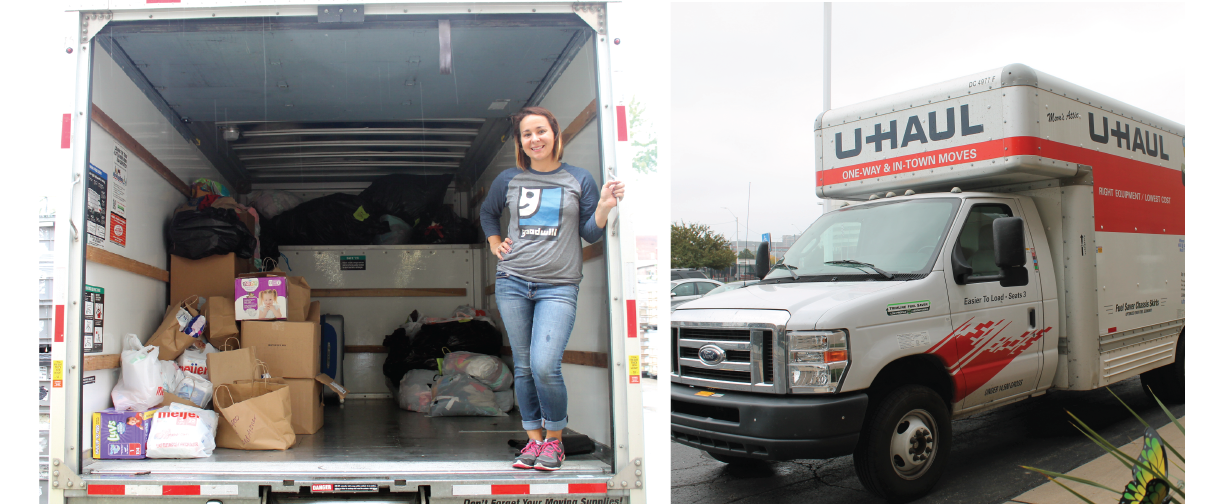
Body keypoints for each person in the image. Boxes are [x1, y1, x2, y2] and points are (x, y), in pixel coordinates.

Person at [479, 106, 625, 471]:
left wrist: (605, 205)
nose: (535, 139)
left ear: (555, 135)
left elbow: (590, 232)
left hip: (558, 286)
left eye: (540, 131)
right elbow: (487, 213)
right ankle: (533, 441)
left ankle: (554, 441)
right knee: (525, 366)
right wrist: (495, 243)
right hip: (512, 282)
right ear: (521, 143)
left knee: (545, 365)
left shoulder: (579, 179)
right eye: (527, 135)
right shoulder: (508, 180)